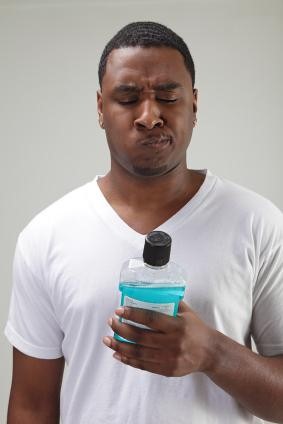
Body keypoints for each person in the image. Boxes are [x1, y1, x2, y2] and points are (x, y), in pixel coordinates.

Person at [5, 21, 283, 424]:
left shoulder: (258, 224)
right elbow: (31, 406)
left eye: (168, 97)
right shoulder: (47, 236)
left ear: (194, 105)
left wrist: (212, 353)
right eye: (128, 97)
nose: (150, 116)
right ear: (100, 108)